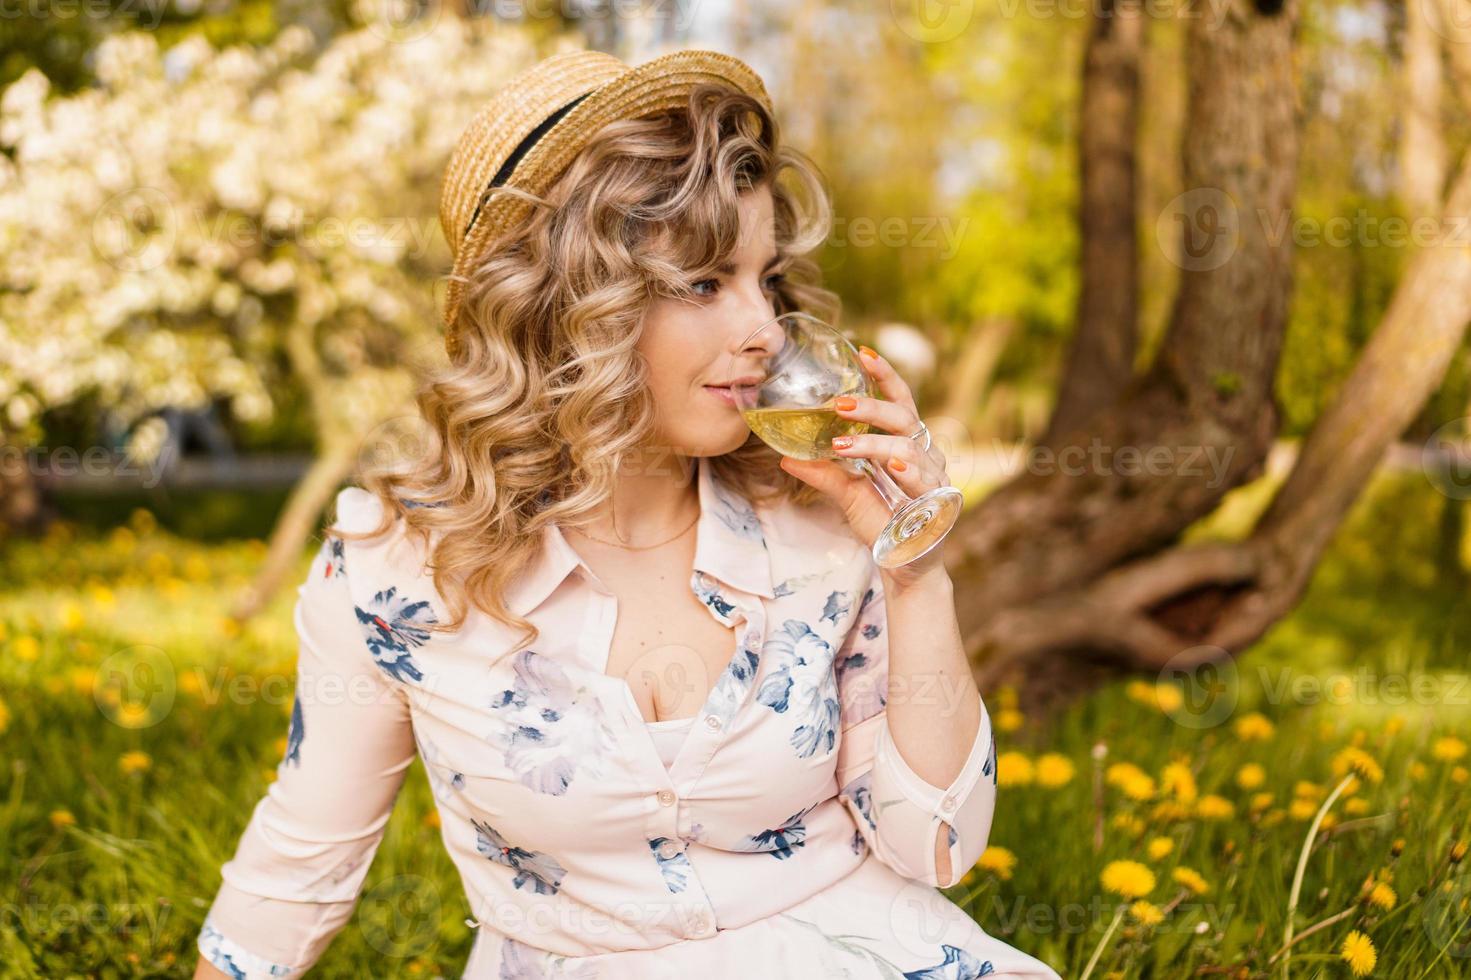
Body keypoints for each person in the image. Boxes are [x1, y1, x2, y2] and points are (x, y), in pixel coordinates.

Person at [192, 48, 1061, 980]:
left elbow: (935, 850)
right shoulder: (393, 573)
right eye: (702, 284)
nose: (763, 328)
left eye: (762, 278)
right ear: (568, 311)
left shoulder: (825, 528)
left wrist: (913, 573)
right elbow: (293, 877)